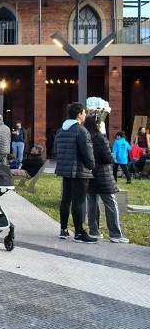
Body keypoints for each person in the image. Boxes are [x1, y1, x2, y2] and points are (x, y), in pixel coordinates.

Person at [54, 102, 97, 243]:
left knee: (65, 200)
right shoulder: (81, 131)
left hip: (65, 170)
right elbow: (88, 153)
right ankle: (79, 233)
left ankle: (63, 230)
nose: (85, 115)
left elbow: (56, 151)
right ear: (79, 114)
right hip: (79, 170)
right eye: (84, 113)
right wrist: (91, 166)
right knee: (78, 202)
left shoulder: (61, 130)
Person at [84, 115, 129, 243]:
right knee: (110, 203)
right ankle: (115, 234)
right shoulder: (101, 138)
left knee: (92, 204)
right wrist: (112, 158)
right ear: (98, 125)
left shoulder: (85, 137)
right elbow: (108, 158)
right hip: (103, 175)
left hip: (89, 174)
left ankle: (94, 231)